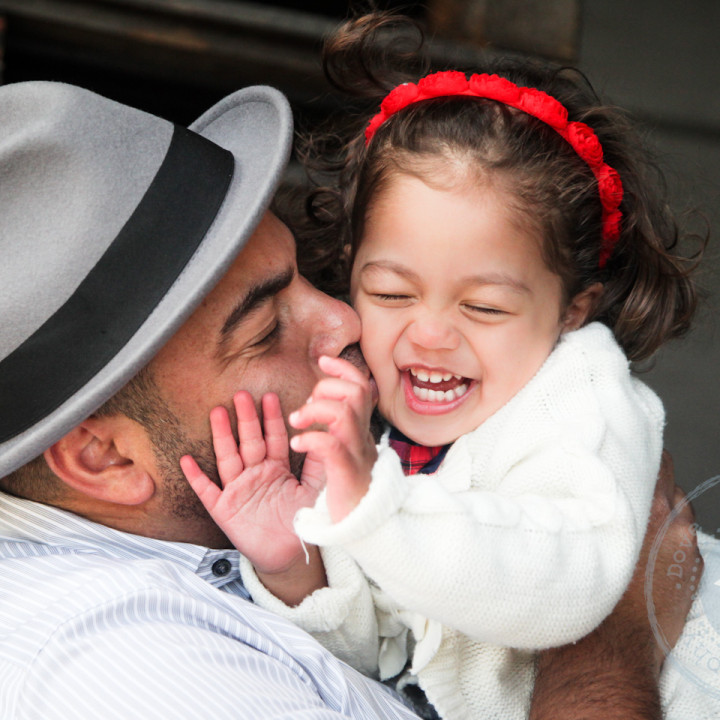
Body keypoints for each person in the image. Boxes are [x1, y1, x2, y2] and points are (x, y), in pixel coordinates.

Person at [0, 76, 697, 718]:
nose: (345, 323)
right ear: (103, 456)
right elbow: (399, 637)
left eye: (310, 275)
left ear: (575, 308)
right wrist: (301, 566)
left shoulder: (556, 402)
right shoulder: (118, 664)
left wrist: (332, 536)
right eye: (266, 327)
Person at [179, 13, 702, 720]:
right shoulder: (376, 427)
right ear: (351, 272)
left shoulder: (581, 395)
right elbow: (392, 651)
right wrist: (295, 567)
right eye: (391, 293)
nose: (428, 335)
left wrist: (373, 508)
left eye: (484, 308)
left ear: (573, 310)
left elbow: (570, 589)